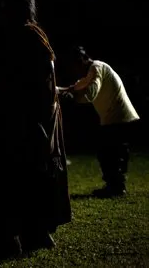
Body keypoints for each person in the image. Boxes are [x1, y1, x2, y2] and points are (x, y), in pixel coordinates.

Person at [0, 0, 71, 257]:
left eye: (6, 7)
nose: (2, 13)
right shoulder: (37, 35)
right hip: (36, 120)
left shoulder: (23, 37)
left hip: (21, 121)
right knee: (30, 177)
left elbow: (17, 82)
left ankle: (7, 239)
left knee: (7, 177)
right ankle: (37, 232)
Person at [58, 46, 140, 197]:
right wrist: (61, 90)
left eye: (73, 66)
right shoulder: (93, 70)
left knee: (110, 152)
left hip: (117, 117)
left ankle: (115, 187)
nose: (73, 71)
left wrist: (72, 97)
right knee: (109, 152)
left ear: (81, 60)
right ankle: (115, 185)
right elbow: (76, 86)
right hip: (114, 118)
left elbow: (91, 92)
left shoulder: (96, 68)